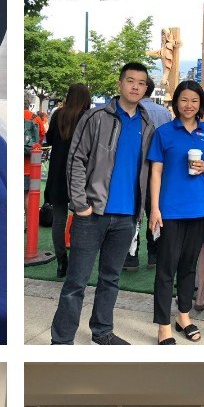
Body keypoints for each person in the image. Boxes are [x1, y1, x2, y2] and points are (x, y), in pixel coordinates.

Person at [50, 63, 155, 345]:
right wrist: (81, 204)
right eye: (130, 81)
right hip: (92, 214)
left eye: (141, 83)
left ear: (146, 89)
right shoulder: (95, 117)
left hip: (126, 216)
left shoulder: (147, 125)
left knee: (111, 279)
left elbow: (150, 168)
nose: (135, 86)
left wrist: (143, 210)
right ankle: (61, 341)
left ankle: (102, 331)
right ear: (119, 84)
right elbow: (76, 160)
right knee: (76, 282)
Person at [147, 80, 204, 344]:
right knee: (166, 268)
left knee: (188, 266)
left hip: (198, 208)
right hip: (170, 210)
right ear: (176, 102)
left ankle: (183, 315)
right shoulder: (164, 132)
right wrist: (154, 208)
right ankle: (163, 324)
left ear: (200, 104)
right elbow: (156, 171)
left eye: (194, 101)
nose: (189, 105)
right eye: (184, 100)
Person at [125, 76, 174, 271]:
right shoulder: (163, 112)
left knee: (134, 212)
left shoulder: (134, 110)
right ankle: (154, 253)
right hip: (158, 167)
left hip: (136, 166)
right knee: (154, 209)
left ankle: (131, 256)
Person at [44, 83, 92, 279]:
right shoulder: (87, 118)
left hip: (57, 173)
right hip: (80, 174)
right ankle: (77, 263)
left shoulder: (58, 115)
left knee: (58, 220)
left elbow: (49, 139)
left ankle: (61, 261)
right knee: (82, 218)